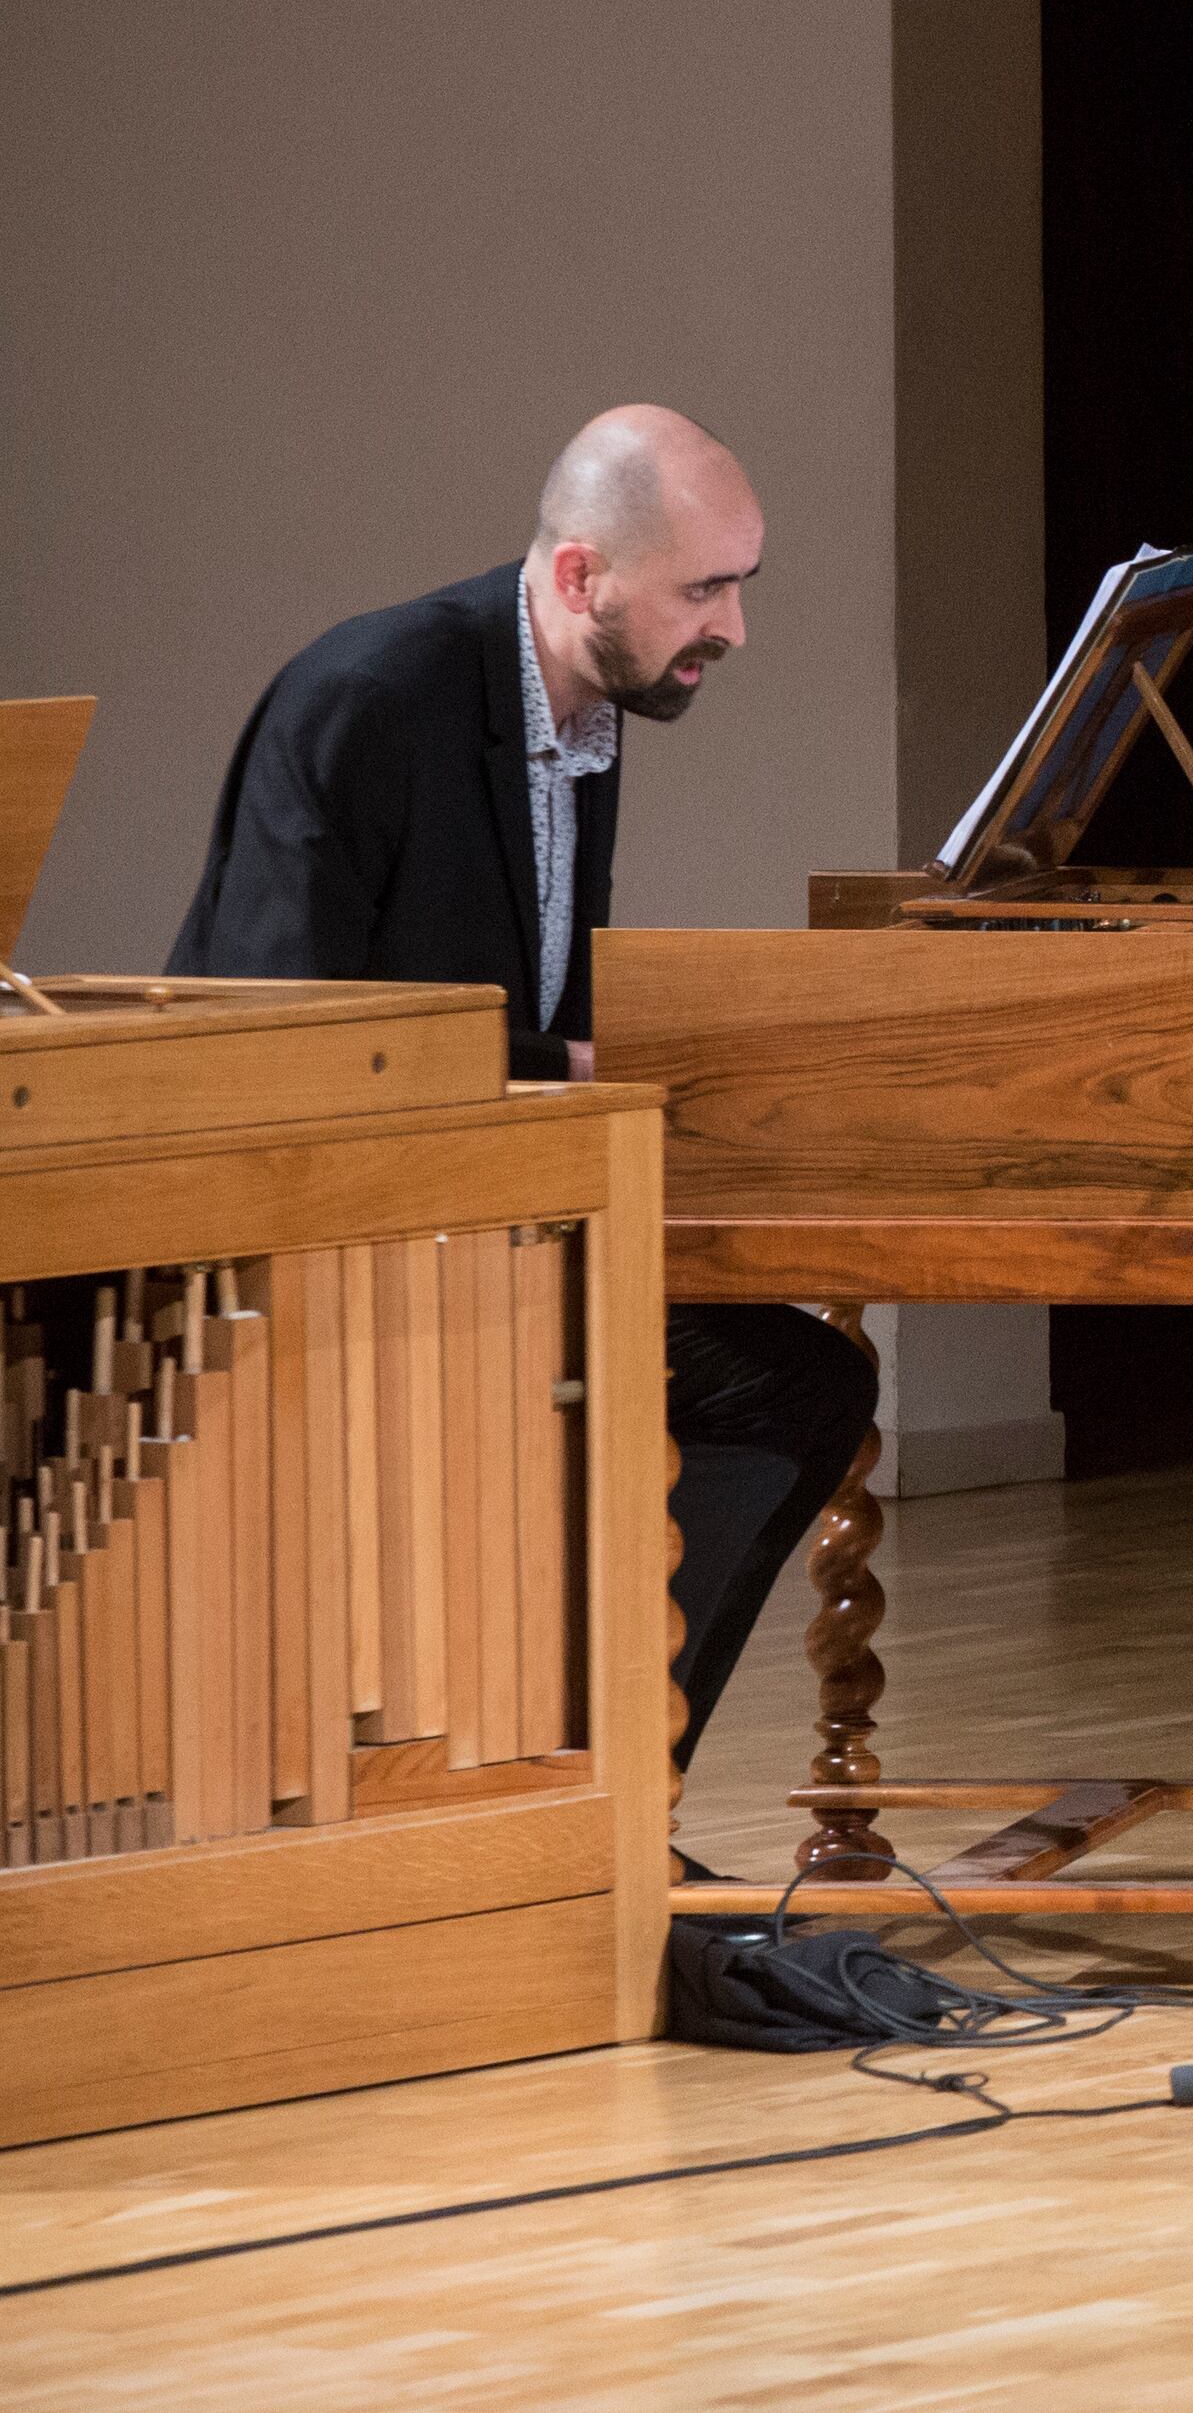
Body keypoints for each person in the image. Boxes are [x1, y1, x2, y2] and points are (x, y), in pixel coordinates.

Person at [170, 405, 875, 1801]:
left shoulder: (591, 711)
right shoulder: (373, 698)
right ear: (576, 577)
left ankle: (606, 1786)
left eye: (742, 583)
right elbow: (269, 1032)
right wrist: (562, 1074)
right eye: (703, 589)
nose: (732, 627)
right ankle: (517, 1784)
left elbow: (550, 1013)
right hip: (322, 1245)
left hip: (485, 1224)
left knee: (807, 1382)